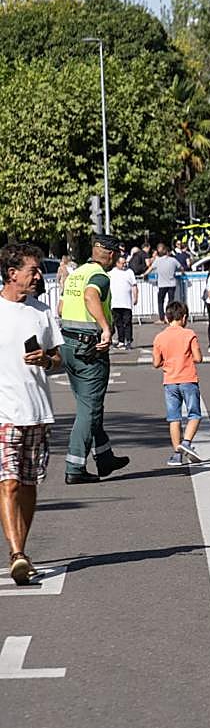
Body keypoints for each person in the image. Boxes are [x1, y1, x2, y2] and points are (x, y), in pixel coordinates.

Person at [0, 244, 62, 584]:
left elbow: (59, 359)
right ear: (12, 274)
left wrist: (46, 361)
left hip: (37, 411)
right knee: (7, 481)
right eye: (33, 271)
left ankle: (20, 552)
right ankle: (16, 553)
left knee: (28, 484)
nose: (38, 276)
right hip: (4, 413)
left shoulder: (42, 312)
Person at [59, 234, 130, 484]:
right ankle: (74, 466)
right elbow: (91, 296)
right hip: (90, 347)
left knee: (87, 406)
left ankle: (104, 456)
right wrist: (106, 328)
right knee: (89, 410)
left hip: (68, 344)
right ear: (112, 255)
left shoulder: (76, 273)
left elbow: (61, 308)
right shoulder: (99, 276)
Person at [152, 301, 204, 467]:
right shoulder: (189, 334)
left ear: (167, 319)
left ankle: (176, 454)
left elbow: (156, 362)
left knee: (174, 418)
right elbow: (198, 358)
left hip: (170, 381)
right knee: (194, 414)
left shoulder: (159, 337)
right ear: (184, 317)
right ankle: (187, 442)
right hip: (188, 378)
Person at [108, 253, 139, 350]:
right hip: (115, 303)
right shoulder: (111, 273)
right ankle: (121, 341)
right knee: (118, 323)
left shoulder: (129, 272)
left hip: (126, 303)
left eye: (125, 263)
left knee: (127, 322)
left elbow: (134, 286)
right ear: (117, 263)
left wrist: (135, 297)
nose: (124, 265)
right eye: (122, 263)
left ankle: (128, 340)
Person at [150, 243, 181, 322]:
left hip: (162, 284)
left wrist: (144, 274)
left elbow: (150, 268)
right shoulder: (173, 260)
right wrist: (182, 272)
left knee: (160, 301)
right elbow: (181, 267)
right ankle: (170, 318)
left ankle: (162, 318)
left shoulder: (158, 260)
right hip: (172, 284)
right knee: (170, 302)